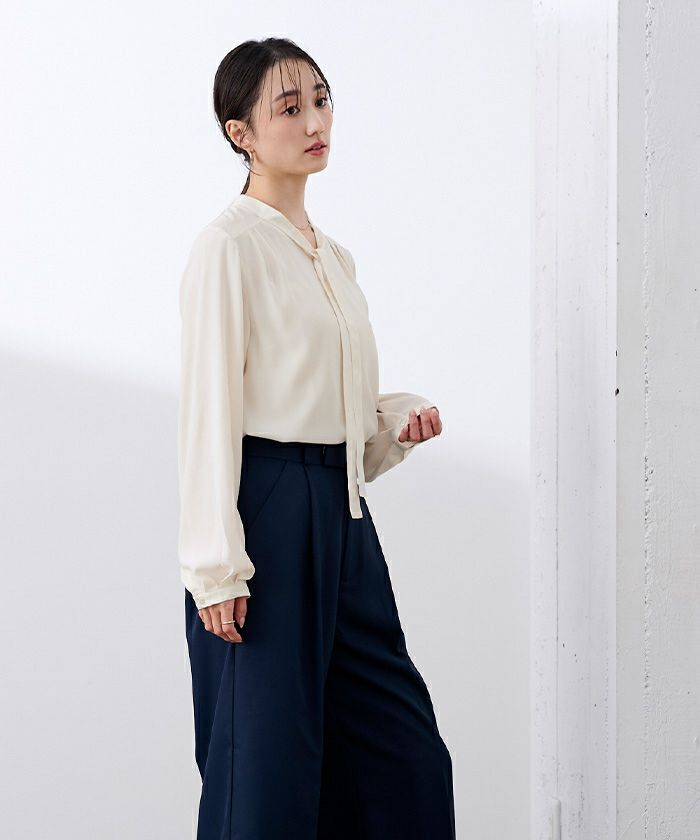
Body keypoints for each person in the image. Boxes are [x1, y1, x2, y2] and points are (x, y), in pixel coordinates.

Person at [178, 36, 456, 840]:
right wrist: (215, 568)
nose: (314, 122)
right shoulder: (229, 246)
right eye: (290, 108)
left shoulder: (334, 258)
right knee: (264, 779)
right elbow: (208, 411)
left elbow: (335, 415)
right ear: (240, 133)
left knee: (403, 761)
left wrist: (392, 420)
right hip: (265, 517)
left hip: (345, 516)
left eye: (322, 101)